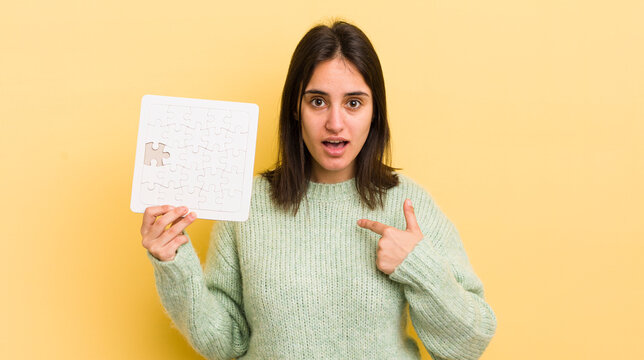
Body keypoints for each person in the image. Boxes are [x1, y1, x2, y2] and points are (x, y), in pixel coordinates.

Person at [140, 21, 497, 360]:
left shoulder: (408, 204)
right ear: (296, 109)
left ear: (375, 112)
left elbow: (466, 345)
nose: (335, 123)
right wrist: (173, 263)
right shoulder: (250, 205)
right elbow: (226, 342)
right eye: (317, 101)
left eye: (354, 103)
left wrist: (418, 267)